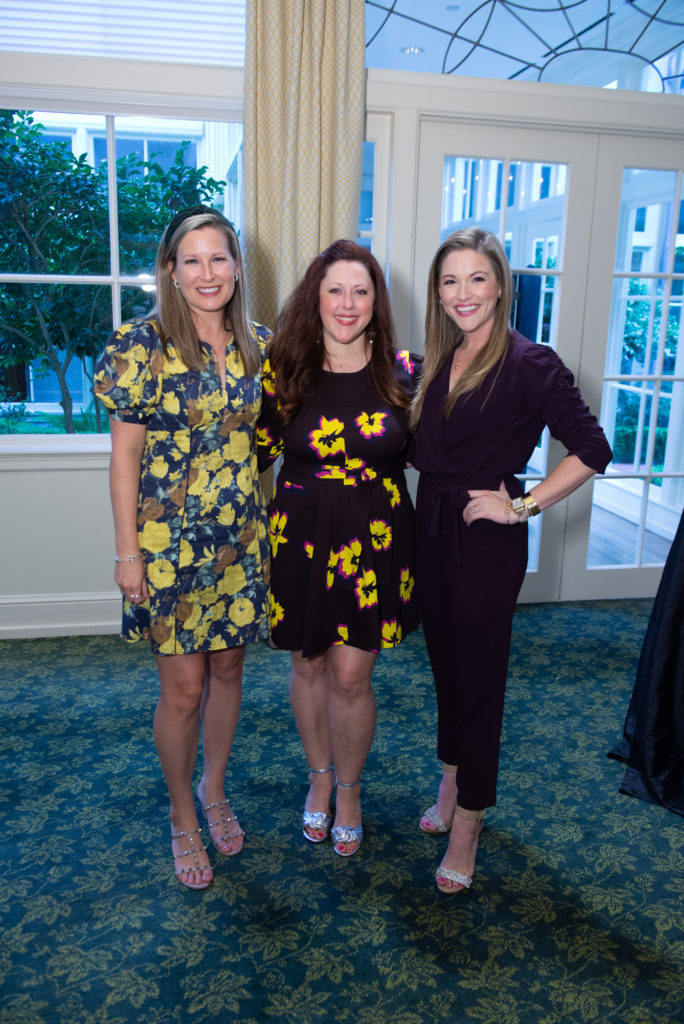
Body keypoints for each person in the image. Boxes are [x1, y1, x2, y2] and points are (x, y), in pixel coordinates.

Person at [411, 227, 612, 894]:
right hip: (432, 527)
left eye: (476, 278)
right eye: (450, 281)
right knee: (445, 668)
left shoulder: (531, 362)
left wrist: (521, 507)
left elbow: (592, 448)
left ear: (500, 284)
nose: (462, 293)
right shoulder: (443, 357)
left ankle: (470, 819)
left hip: (484, 545)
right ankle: (451, 780)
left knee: (479, 680)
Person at [94, 206, 271, 890]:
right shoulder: (141, 346)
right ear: (171, 270)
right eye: (191, 260)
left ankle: (213, 788)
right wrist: (127, 553)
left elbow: (262, 446)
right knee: (184, 688)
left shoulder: (259, 345)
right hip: (166, 546)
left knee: (229, 670)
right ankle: (181, 812)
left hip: (239, 542)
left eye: (218, 258)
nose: (207, 273)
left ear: (237, 267)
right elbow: (124, 459)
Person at [257, 239, 420, 857]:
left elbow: (441, 453)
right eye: (335, 290)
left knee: (351, 674)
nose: (347, 304)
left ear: (376, 301)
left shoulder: (408, 372)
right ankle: (319, 778)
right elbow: (250, 452)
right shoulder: (284, 367)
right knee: (308, 663)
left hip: (374, 539)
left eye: (360, 290)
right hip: (299, 533)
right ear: (316, 298)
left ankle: (349, 789)